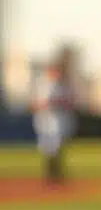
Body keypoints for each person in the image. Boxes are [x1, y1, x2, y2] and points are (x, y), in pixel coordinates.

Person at [31, 53, 76, 186]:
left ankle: (57, 176)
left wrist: (57, 103)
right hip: (45, 122)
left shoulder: (64, 86)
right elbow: (34, 104)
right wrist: (45, 104)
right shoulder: (42, 84)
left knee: (58, 149)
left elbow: (70, 102)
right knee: (47, 150)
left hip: (60, 121)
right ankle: (49, 177)